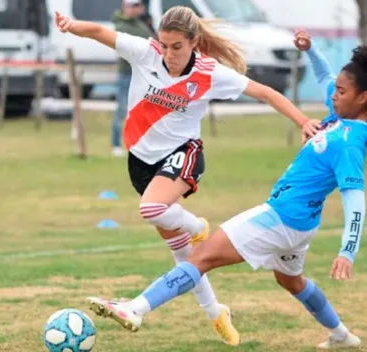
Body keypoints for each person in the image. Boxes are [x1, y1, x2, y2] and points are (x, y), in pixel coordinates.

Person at [55, 6, 320, 345]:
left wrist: (303, 122)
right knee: (184, 257)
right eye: (164, 45)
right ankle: (216, 313)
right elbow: (98, 32)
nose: (168, 54)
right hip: (141, 163)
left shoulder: (210, 73)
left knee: (151, 209)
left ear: (194, 42)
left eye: (176, 46)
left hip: (184, 154)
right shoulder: (144, 52)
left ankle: (197, 226)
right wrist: (72, 24)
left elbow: (265, 93)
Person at [85, 30, 366, 350]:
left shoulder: (351, 142)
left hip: (279, 218)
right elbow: (326, 76)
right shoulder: (341, 112)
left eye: (341, 92)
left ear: (362, 98)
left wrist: (347, 250)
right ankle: (342, 336)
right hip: (300, 224)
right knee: (291, 280)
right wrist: (312, 49)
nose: (333, 95)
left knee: (200, 256)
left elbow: (355, 198)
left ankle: (134, 309)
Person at [112, 0, 155, 157]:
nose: (137, 9)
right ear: (125, 7)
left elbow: (153, 42)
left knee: (144, 109)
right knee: (123, 108)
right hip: (127, 73)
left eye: (138, 6)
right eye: (134, 6)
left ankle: (140, 144)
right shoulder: (120, 25)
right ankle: (116, 144)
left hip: (143, 73)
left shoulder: (142, 24)